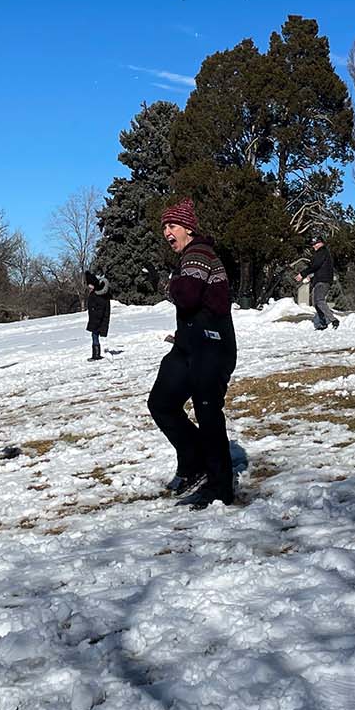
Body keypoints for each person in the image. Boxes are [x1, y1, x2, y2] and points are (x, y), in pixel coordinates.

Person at [148, 198, 238, 509]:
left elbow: (186, 296)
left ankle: (220, 485)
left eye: (171, 225)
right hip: (190, 344)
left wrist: (167, 284)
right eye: (164, 227)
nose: (166, 232)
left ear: (188, 228)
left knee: (207, 410)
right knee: (161, 402)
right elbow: (190, 300)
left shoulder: (199, 253)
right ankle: (194, 461)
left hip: (214, 345)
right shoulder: (188, 257)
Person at [294, 235, 340, 330]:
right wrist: (311, 276)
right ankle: (323, 322)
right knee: (316, 302)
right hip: (319, 279)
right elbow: (319, 268)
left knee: (319, 300)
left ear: (321, 243)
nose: (313, 246)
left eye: (315, 244)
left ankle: (333, 320)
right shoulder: (322, 253)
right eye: (313, 244)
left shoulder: (322, 252)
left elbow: (315, 265)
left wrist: (302, 274)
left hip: (323, 281)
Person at [84, 271, 111, 361]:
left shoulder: (98, 296)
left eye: (90, 286)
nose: (89, 288)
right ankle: (96, 354)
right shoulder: (97, 294)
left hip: (98, 319)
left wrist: (95, 316)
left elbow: (100, 309)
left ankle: (96, 354)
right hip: (96, 319)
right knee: (94, 335)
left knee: (95, 335)